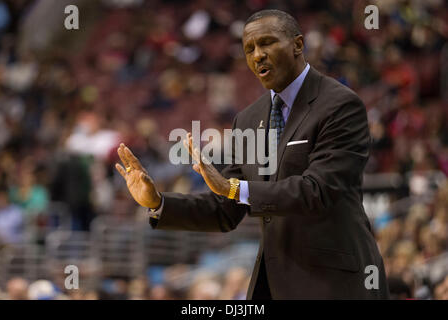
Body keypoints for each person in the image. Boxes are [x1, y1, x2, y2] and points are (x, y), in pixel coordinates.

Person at [116, 9, 390, 299]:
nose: (257, 55)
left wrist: (234, 188)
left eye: (267, 43)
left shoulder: (340, 105)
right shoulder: (248, 119)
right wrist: (158, 202)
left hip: (337, 283)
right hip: (274, 284)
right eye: (249, 49)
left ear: (298, 45)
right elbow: (225, 209)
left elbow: (318, 191)